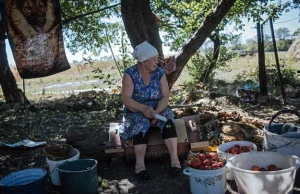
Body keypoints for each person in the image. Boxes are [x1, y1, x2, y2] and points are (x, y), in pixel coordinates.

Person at [119, 41, 181, 182]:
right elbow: (127, 99)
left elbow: (165, 95)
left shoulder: (159, 73)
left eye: (157, 59)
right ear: (143, 61)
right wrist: (144, 109)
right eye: (153, 60)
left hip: (157, 107)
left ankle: (175, 162)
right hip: (136, 109)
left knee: (168, 120)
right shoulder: (130, 74)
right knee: (141, 123)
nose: (157, 62)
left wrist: (157, 111)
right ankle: (139, 166)